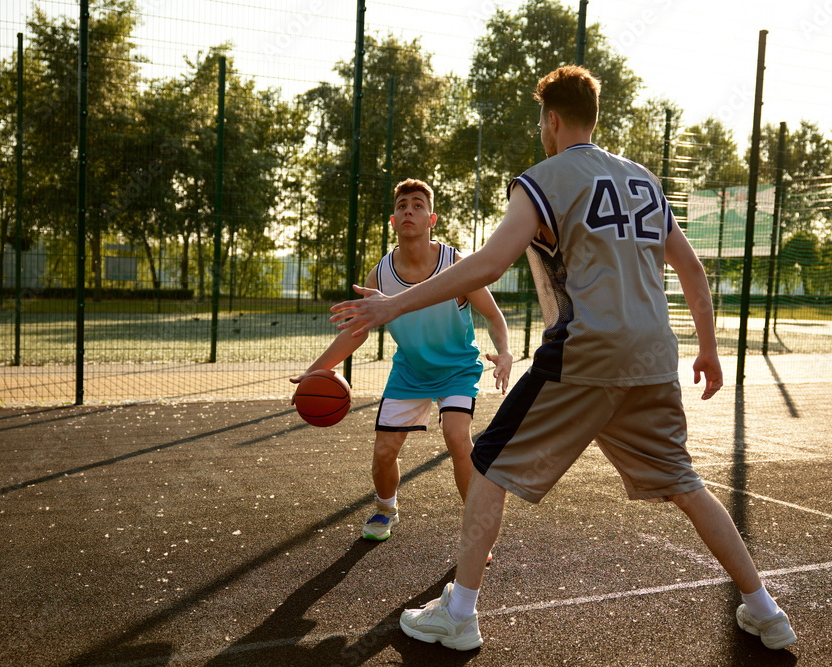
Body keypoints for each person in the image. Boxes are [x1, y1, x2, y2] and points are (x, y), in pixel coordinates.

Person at [331, 66, 797, 652]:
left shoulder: (542, 179)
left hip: (585, 352)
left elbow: (489, 264)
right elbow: (692, 270)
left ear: (551, 119)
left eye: (540, 122)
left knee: (488, 465)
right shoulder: (643, 180)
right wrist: (707, 347)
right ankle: (765, 608)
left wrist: (391, 305)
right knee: (685, 482)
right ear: (592, 116)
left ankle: (460, 615)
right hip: (654, 356)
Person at [292, 178, 513, 543]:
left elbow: (493, 315)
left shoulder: (454, 263)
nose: (408, 210)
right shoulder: (380, 274)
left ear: (432, 219)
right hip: (410, 371)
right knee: (383, 452)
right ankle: (386, 507)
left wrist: (504, 352)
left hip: (457, 368)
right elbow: (355, 331)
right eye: (401, 206)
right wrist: (317, 370)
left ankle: (475, 531)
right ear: (393, 221)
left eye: (417, 205)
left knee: (458, 437)